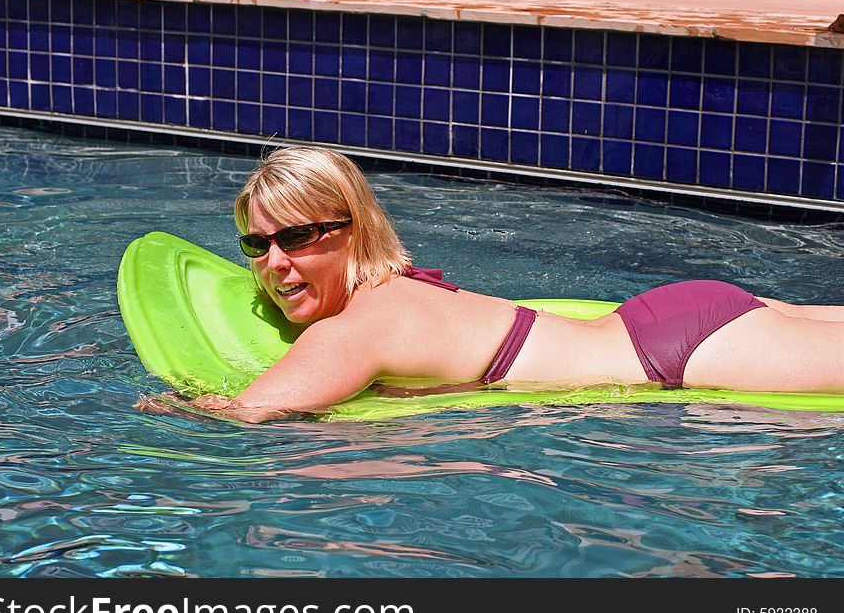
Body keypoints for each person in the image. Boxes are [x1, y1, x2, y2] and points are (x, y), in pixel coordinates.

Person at [159, 146, 844, 423]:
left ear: (351, 228)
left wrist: (166, 405)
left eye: (299, 237)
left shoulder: (351, 331)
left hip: (678, 356)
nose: (274, 262)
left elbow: (246, 414)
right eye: (256, 243)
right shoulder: (394, 285)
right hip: (665, 319)